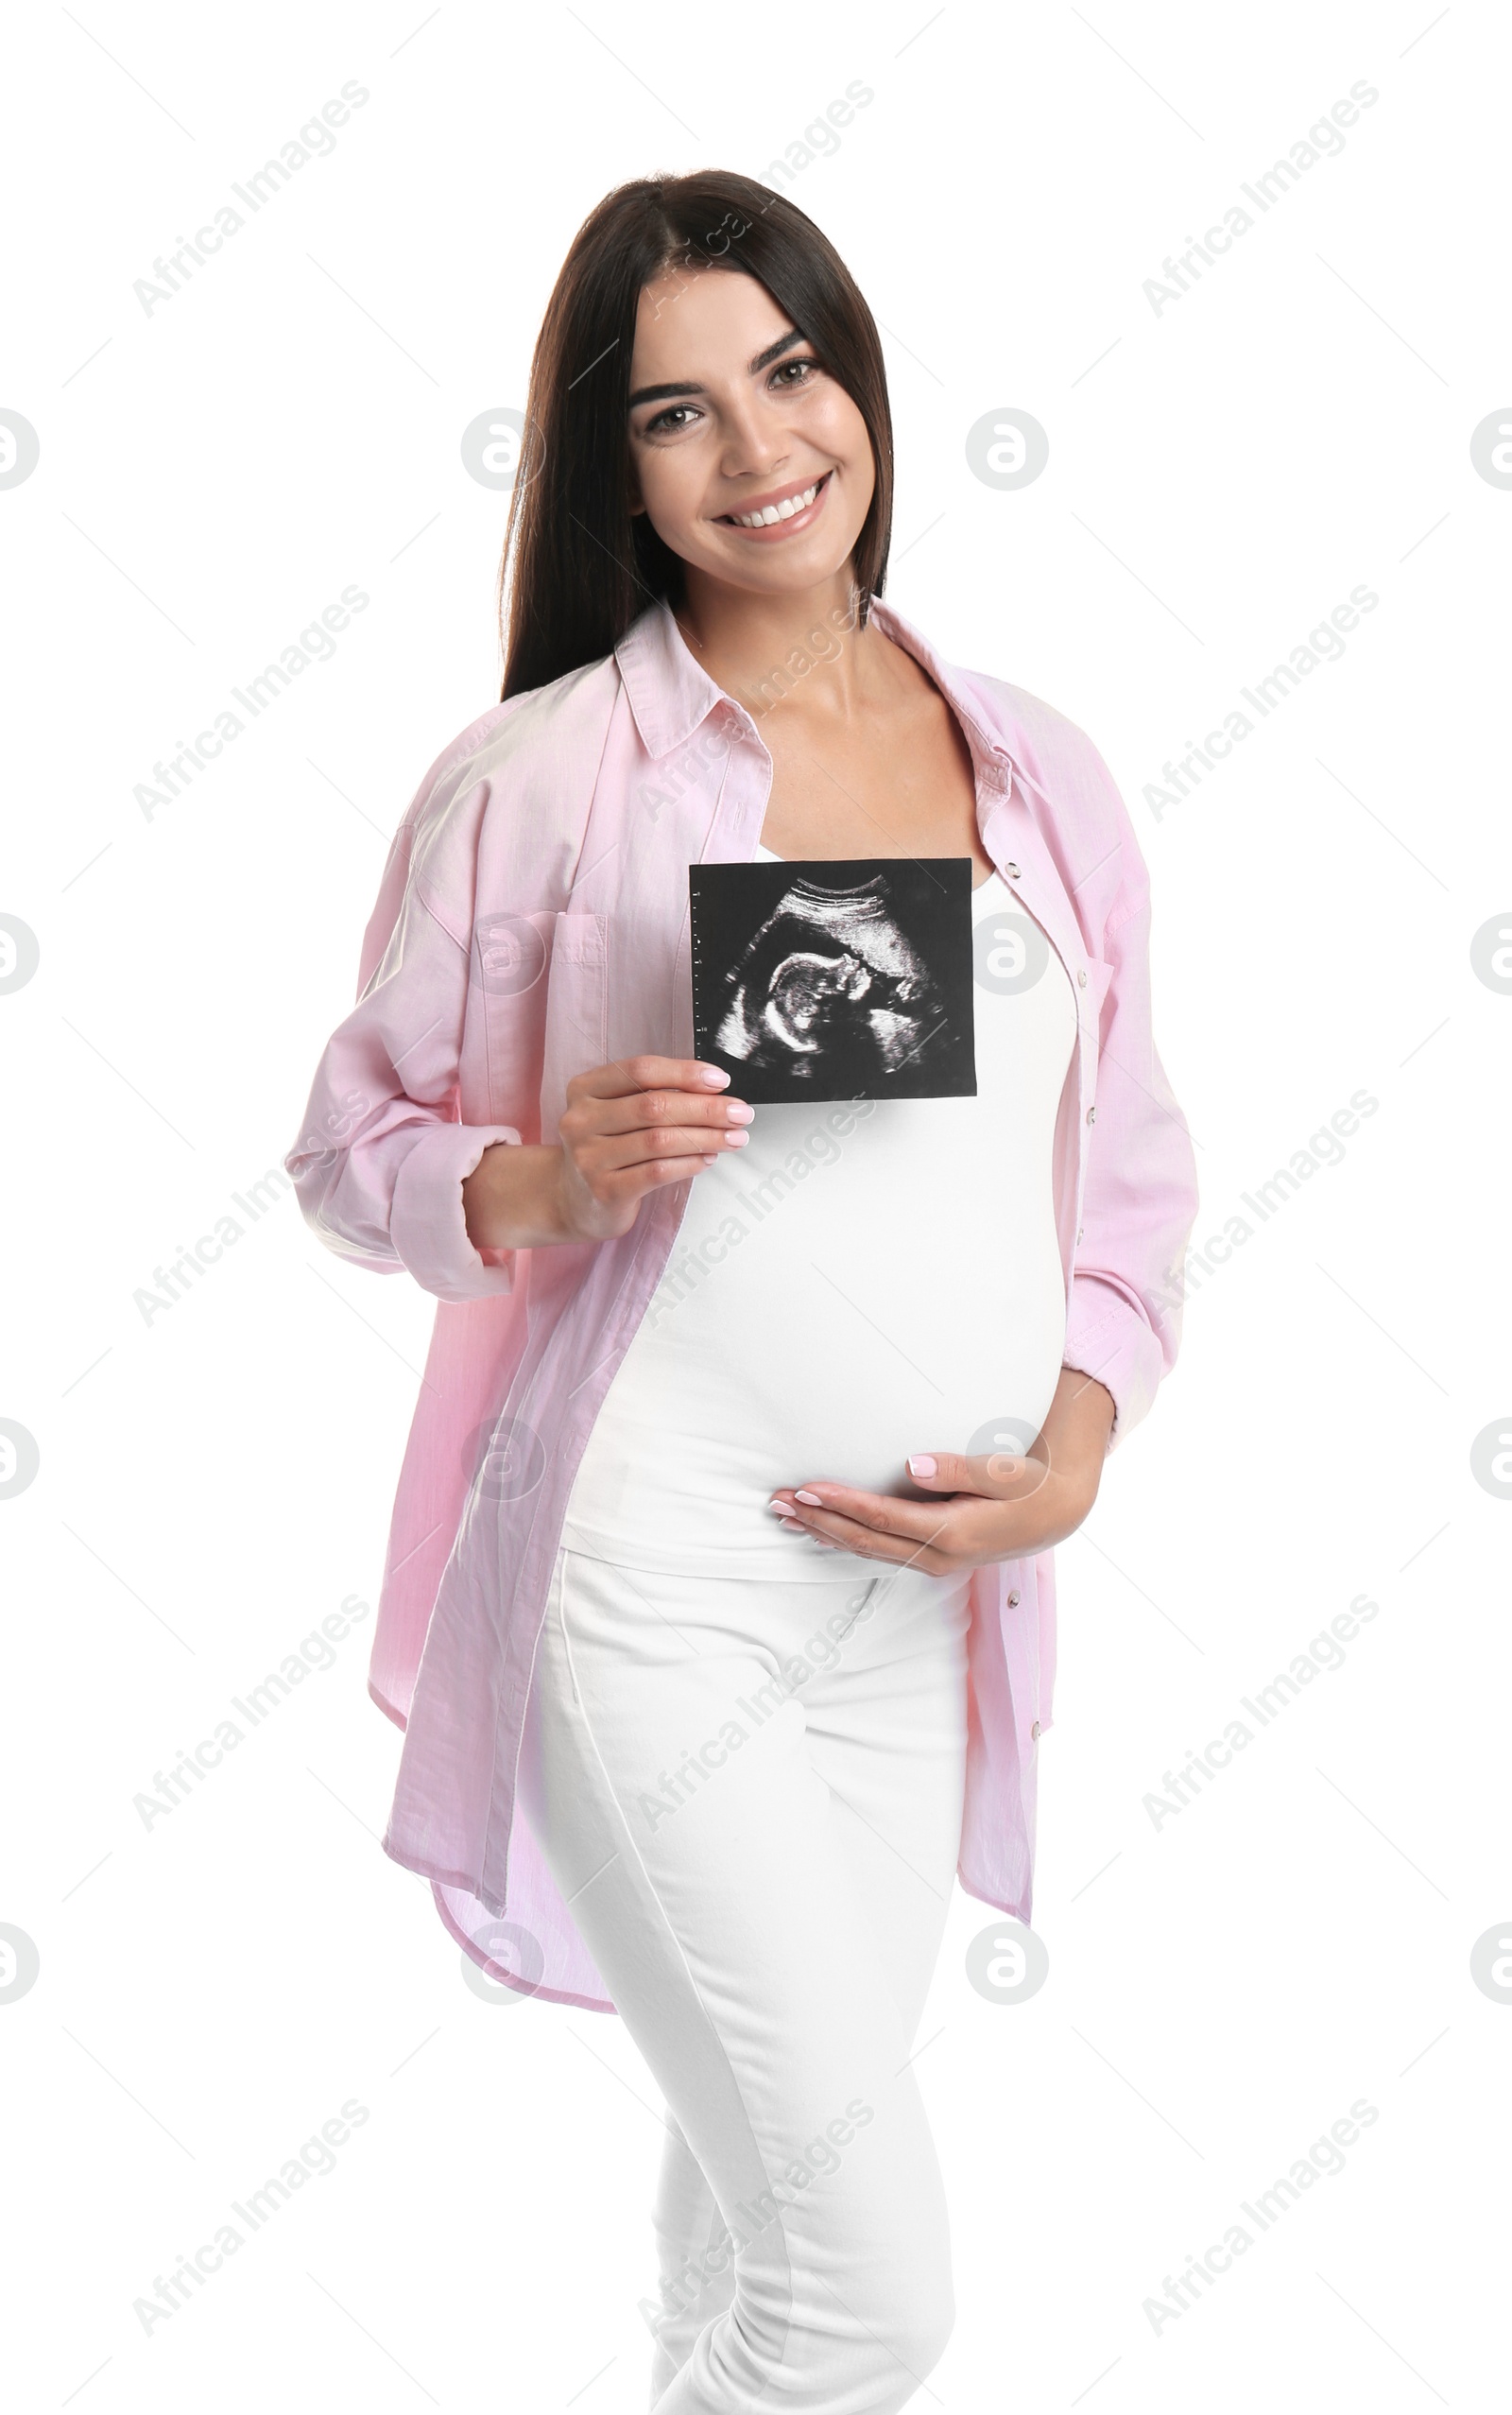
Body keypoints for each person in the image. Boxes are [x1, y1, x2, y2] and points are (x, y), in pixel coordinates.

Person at [285, 168, 1199, 2413]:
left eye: (788, 370)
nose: (761, 445)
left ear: (857, 378)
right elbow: (346, 1153)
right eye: (676, 412)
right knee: (860, 2291)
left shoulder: (1030, 767)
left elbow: (1133, 1180)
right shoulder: (543, 780)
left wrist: (1070, 1453)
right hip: (652, 1579)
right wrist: (536, 1176)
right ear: (615, 472)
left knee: (748, 2229)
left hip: (918, 1600)